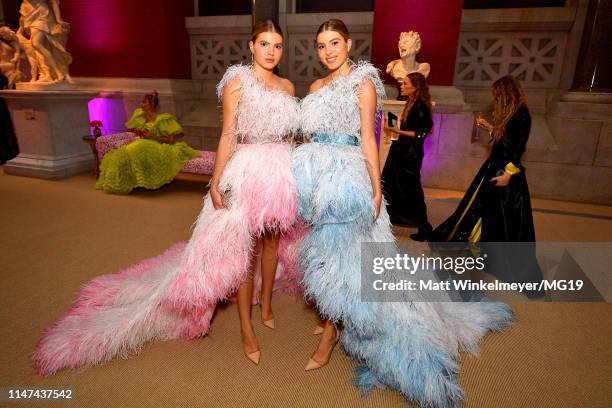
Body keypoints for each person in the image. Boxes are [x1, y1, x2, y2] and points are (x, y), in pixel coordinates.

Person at [33, 20, 303, 374]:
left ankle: (265, 305)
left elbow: (291, 135)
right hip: (247, 167)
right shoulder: (238, 81)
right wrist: (217, 180)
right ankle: (246, 327)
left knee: (271, 243)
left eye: (278, 45)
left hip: (279, 170)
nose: (271, 51)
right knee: (243, 253)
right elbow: (227, 135)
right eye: (264, 44)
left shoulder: (287, 85)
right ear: (251, 46)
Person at [292, 19, 513, 408]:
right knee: (325, 259)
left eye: (335, 43)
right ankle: (330, 316)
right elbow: (308, 138)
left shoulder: (362, 84)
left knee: (346, 263)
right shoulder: (314, 88)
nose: (328, 51)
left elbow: (368, 139)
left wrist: (376, 189)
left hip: (348, 182)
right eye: (321, 45)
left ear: (348, 44)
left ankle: (330, 336)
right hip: (317, 182)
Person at [431, 75, 544, 297]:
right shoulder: (512, 114)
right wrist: (490, 128)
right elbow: (506, 141)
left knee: (503, 221)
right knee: (482, 212)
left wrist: (508, 175)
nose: (494, 100)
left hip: (505, 174)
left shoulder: (522, 115)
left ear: (505, 94)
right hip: (494, 168)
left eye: (496, 96)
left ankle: (499, 261)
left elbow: (518, 149)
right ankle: (479, 252)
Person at [95, 91, 199, 194]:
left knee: (135, 150)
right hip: (142, 143)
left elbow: (169, 140)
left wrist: (151, 136)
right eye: (141, 102)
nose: (141, 104)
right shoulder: (140, 116)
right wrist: (140, 133)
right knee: (125, 152)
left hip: (157, 145)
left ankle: (135, 181)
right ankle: (128, 181)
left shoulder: (163, 119)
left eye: (144, 102)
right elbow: (133, 130)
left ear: (152, 104)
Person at [382, 72, 433, 240]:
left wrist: (398, 130)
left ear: (415, 87)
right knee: (390, 185)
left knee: (411, 189)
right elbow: (410, 126)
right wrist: (394, 123)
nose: (401, 86)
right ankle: (388, 220)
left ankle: (424, 225)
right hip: (401, 151)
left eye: (405, 84)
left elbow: (422, 132)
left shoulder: (421, 106)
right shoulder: (411, 103)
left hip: (409, 155)